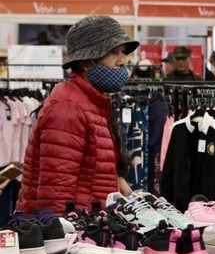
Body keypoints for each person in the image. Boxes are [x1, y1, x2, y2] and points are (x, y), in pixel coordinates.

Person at [18, 15, 139, 213]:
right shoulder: (68, 108)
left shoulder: (92, 103)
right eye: (113, 53)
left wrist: (116, 178)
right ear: (85, 61)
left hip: (90, 227)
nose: (123, 61)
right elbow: (54, 193)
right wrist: (62, 237)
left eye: (123, 52)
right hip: (74, 233)